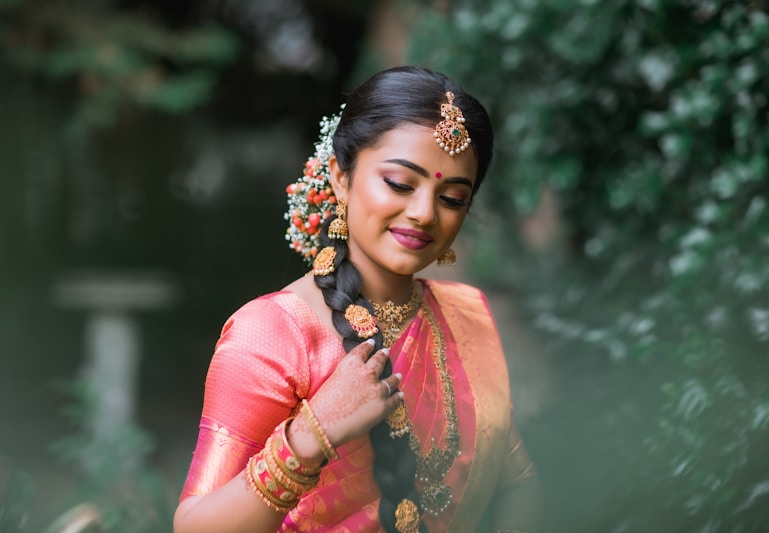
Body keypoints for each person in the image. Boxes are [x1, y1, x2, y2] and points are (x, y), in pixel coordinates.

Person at [173, 66, 538, 533]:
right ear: (340, 178)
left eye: (451, 198)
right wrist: (310, 435)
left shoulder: (465, 316)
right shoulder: (272, 333)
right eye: (401, 184)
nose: (424, 213)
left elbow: (519, 480)